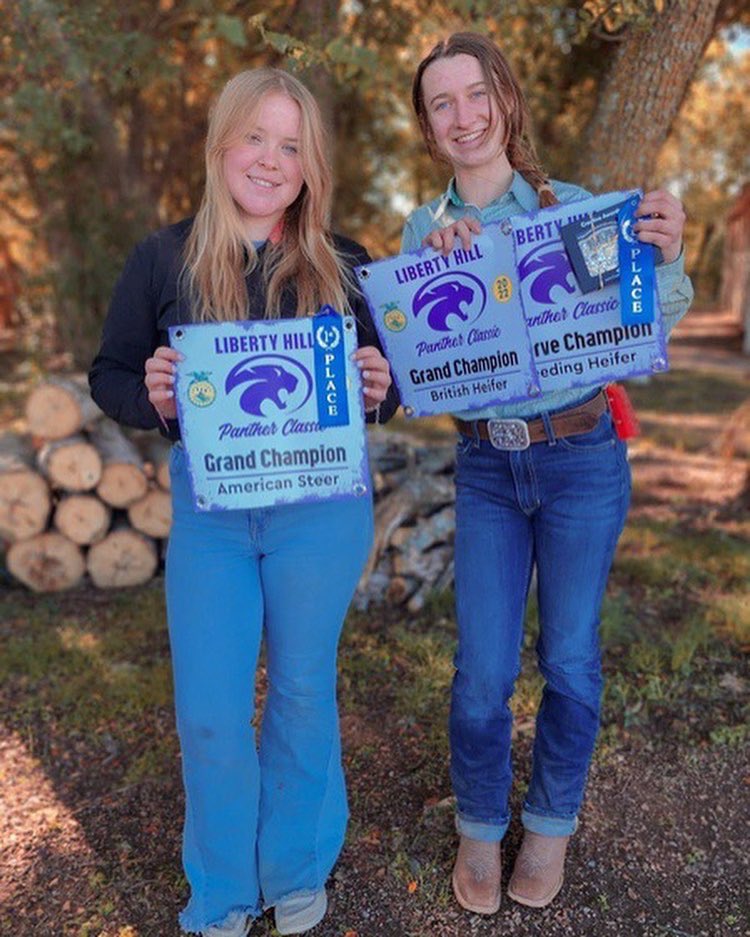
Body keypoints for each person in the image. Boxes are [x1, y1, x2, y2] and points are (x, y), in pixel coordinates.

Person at [90, 68, 397, 937]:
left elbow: (388, 384)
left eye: (290, 145)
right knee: (211, 710)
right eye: (255, 137)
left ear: (311, 165)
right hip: (213, 515)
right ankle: (222, 887)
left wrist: (383, 385)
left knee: (301, 690)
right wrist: (151, 396)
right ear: (222, 145)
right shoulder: (163, 258)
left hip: (320, 511)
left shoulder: (348, 264)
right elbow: (110, 374)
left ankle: (293, 866)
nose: (270, 159)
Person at [402, 32, 693, 914]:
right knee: (482, 670)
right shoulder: (421, 230)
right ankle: (480, 826)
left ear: (506, 99)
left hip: (582, 459)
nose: (463, 116)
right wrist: (433, 273)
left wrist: (670, 255)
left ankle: (552, 823)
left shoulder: (577, 212)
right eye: (442, 103)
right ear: (428, 126)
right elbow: (417, 369)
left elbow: (649, 323)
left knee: (569, 657)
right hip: (488, 466)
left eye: (476, 93)